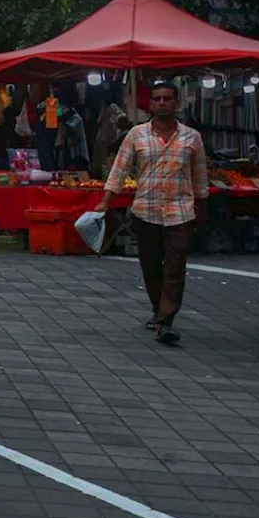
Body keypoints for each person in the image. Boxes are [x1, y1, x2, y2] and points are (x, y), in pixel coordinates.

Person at [96, 81, 207, 346]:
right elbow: (119, 171)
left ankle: (166, 320)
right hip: (145, 210)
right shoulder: (136, 135)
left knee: (175, 266)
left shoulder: (192, 137)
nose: (162, 103)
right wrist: (105, 201)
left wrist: (201, 210)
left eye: (168, 98)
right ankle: (158, 308)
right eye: (157, 99)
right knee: (150, 265)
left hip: (180, 211)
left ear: (176, 103)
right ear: (151, 104)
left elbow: (200, 177)